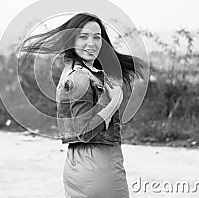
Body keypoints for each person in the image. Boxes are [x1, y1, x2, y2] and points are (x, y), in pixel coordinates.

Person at [20, 13, 144, 198]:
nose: (91, 43)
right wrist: (114, 101)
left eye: (97, 37)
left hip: (78, 166)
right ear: (72, 40)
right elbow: (84, 131)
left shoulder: (72, 71)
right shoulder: (80, 78)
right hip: (100, 168)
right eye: (83, 36)